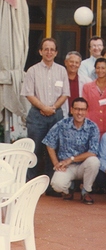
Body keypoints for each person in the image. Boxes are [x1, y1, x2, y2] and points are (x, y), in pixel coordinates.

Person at [22, 38, 70, 180]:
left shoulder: (62, 71)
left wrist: (53, 108)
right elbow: (28, 94)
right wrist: (43, 107)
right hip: (37, 116)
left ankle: (50, 184)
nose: (49, 52)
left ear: (56, 53)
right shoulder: (32, 71)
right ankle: (29, 183)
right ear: (40, 51)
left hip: (56, 115)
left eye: (52, 49)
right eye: (46, 49)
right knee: (34, 150)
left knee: (54, 151)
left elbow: (65, 93)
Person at [42, 97, 100, 205]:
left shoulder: (93, 127)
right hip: (66, 167)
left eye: (83, 110)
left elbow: (93, 151)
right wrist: (56, 163)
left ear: (87, 111)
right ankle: (69, 190)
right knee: (57, 185)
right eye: (77, 109)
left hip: (84, 165)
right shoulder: (62, 124)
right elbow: (49, 143)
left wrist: (71, 159)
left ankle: (86, 191)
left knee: (94, 161)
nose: (79, 113)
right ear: (71, 110)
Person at [83, 57, 106, 136]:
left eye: (103, 68)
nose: (100, 70)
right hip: (92, 125)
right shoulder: (87, 87)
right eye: (98, 68)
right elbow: (85, 107)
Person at [63, 51, 91, 117]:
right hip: (63, 116)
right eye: (71, 62)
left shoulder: (87, 81)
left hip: (80, 117)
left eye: (76, 62)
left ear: (80, 64)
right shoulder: (58, 79)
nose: (74, 64)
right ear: (65, 62)